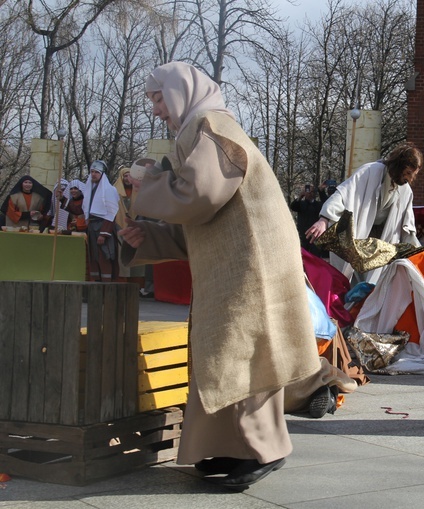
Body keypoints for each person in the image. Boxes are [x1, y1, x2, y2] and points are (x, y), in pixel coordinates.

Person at [118, 62, 320, 489]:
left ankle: (266, 447)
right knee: (222, 351)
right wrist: (145, 238)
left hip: (252, 264)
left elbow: (200, 196)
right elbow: (196, 223)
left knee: (242, 350)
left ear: (181, 92)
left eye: (159, 98)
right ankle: (232, 446)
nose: (156, 110)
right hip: (239, 260)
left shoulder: (211, 125)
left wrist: (146, 185)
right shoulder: (198, 132)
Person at [305, 143, 422, 284]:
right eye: (407, 173)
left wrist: (419, 253)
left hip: (378, 248)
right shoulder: (370, 171)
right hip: (355, 239)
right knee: (345, 284)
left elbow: (407, 227)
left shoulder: (405, 191)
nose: (409, 179)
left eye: (412, 175)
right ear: (399, 165)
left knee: (376, 288)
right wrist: (324, 220)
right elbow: (343, 194)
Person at [81, 160, 120, 282]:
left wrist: (104, 233)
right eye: (92, 172)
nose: (93, 174)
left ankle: (107, 285)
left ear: (102, 174)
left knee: (105, 255)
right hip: (92, 226)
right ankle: (95, 285)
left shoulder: (109, 190)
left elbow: (112, 212)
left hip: (103, 225)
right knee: (94, 256)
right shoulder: (89, 189)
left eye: (96, 172)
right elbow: (84, 207)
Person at [290, 183, 325, 256]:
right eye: (308, 191)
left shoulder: (318, 205)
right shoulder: (301, 204)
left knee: (315, 256)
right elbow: (293, 207)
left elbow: (325, 204)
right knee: (302, 255)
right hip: (303, 234)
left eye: (312, 192)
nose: (309, 194)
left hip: (314, 234)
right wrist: (300, 196)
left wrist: (321, 191)